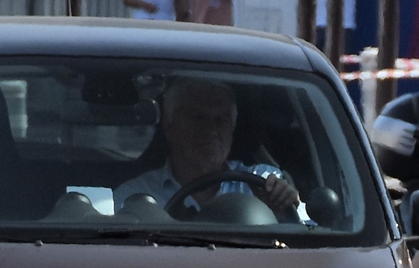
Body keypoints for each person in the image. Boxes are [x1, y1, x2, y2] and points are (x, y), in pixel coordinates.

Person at [114, 77, 305, 221]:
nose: (211, 130)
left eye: (221, 120)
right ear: (169, 124)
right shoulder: (133, 198)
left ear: (232, 129)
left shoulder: (264, 183)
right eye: (197, 118)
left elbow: (309, 237)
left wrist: (283, 211)